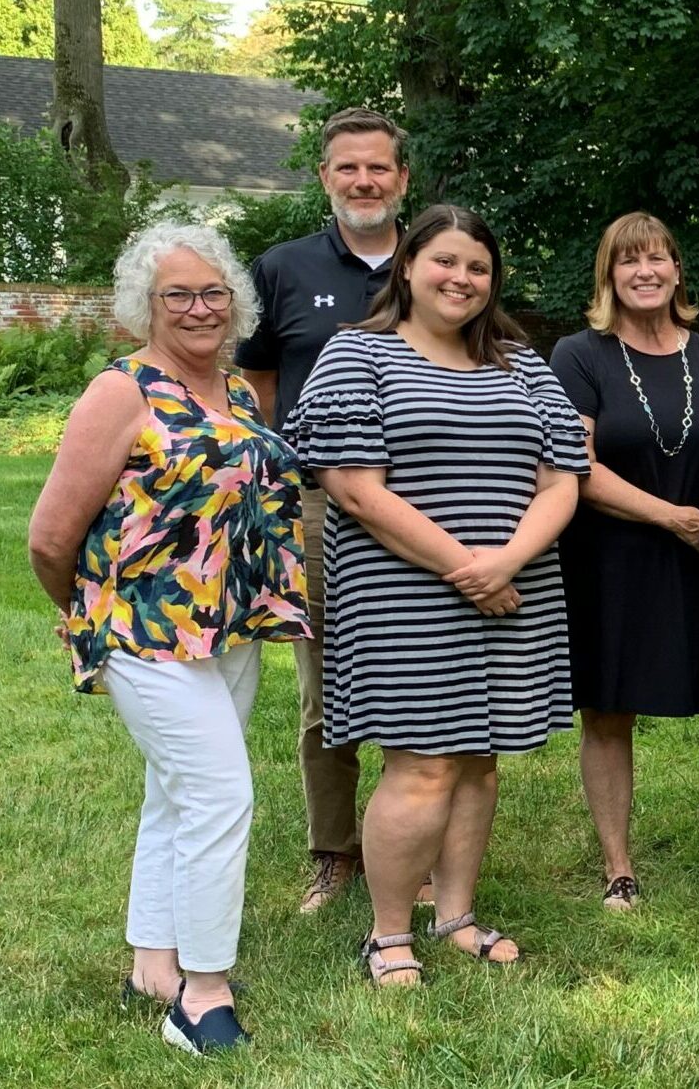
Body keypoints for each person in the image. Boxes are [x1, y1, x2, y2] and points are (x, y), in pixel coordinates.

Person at [286, 204, 590, 987]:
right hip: (403, 595)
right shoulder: (357, 355)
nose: (461, 278)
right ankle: (388, 934)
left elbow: (563, 479)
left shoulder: (525, 365)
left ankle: (455, 913)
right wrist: (466, 565)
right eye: (445, 262)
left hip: (515, 588)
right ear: (409, 268)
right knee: (420, 764)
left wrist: (509, 560)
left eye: (478, 267)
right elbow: (353, 487)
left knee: (480, 762)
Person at [28, 223, 308, 1054]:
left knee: (175, 794)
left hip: (229, 630)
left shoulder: (241, 394)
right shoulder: (123, 393)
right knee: (222, 795)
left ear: (236, 303)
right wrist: (86, 616)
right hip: (142, 633)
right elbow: (50, 537)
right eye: (176, 294)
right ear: (143, 307)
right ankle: (200, 996)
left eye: (213, 292)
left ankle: (155, 963)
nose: (198, 308)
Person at [235, 106, 409, 915]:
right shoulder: (282, 268)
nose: (364, 181)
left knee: (421, 677)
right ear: (325, 177)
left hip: (427, 499)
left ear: (401, 179)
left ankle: (421, 845)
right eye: (348, 167)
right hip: (317, 503)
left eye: (378, 167)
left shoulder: (439, 262)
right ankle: (335, 851)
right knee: (325, 686)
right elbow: (261, 385)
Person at [551, 213, 699, 904]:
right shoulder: (579, 355)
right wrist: (667, 514)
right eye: (628, 260)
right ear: (608, 274)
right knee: (609, 712)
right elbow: (575, 466)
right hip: (613, 558)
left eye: (657, 257)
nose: (645, 271)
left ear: (676, 269)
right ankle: (618, 866)